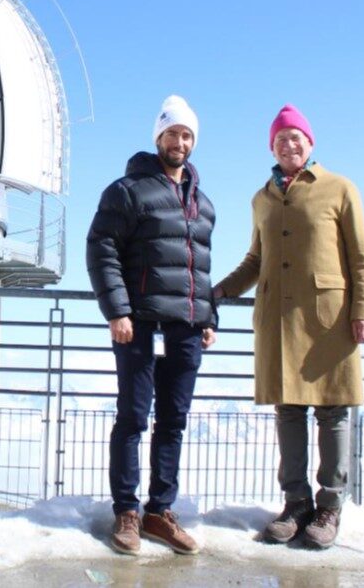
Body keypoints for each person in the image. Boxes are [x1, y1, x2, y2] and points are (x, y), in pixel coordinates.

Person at [213, 103, 364, 550]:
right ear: (272, 146)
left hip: (328, 319)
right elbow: (255, 260)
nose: (289, 144)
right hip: (278, 320)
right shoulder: (262, 197)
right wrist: (222, 291)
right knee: (288, 411)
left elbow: (361, 257)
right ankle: (296, 503)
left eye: (296, 137)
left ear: (310, 143)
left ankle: (330, 506)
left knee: (332, 410)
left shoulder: (340, 188)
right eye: (280, 138)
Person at [86, 95, 218, 556]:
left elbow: (199, 266)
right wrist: (117, 311)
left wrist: (209, 315)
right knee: (133, 418)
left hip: (186, 327)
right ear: (157, 137)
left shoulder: (203, 204)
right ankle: (127, 512)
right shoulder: (126, 191)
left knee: (173, 421)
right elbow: (101, 250)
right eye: (171, 133)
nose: (179, 141)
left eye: (187, 135)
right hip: (138, 323)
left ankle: (159, 512)